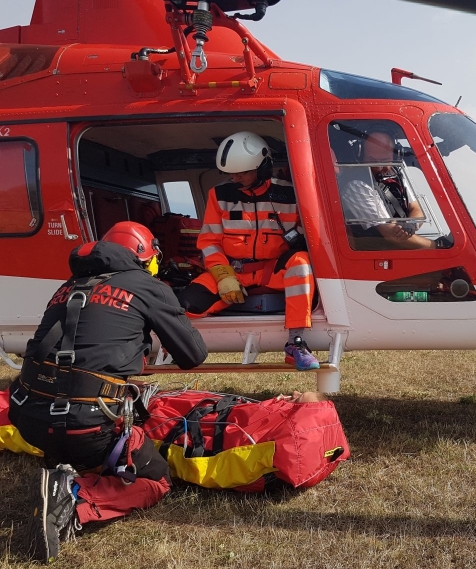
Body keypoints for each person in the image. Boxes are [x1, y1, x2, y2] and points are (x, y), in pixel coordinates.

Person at [7, 221, 208, 564]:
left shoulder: (68, 286)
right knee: (155, 478)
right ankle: (74, 498)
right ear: (146, 256)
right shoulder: (147, 285)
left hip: (29, 416)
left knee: (80, 437)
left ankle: (67, 466)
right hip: (85, 424)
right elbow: (193, 355)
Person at [178, 131, 319, 370]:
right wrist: (224, 276)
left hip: (272, 270)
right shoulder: (219, 195)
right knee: (182, 305)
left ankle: (296, 343)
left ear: (263, 167)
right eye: (231, 173)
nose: (235, 177)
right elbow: (209, 241)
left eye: (242, 172)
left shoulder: (291, 193)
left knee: (301, 262)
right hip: (231, 271)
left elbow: (310, 236)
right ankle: (175, 347)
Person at [338, 130, 453, 250]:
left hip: (397, 249)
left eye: (385, 161)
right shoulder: (356, 185)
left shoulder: (395, 173)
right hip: (374, 255)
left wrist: (411, 224)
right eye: (373, 161)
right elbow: (391, 235)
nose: (380, 167)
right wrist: (438, 246)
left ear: (395, 155)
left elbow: (416, 208)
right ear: (360, 155)